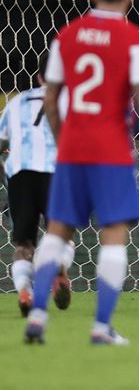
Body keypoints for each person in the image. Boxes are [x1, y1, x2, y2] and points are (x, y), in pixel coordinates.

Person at [24, 0, 139, 345]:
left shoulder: (66, 36)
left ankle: (37, 318)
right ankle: (101, 327)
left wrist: (62, 140)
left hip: (72, 149)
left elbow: (52, 99)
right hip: (112, 151)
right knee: (114, 235)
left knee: (56, 234)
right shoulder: (135, 39)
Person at [0, 53, 74, 317]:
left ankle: (24, 290)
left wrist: (5, 174)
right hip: (55, 172)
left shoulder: (16, 102)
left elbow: (1, 143)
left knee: (23, 244)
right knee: (61, 235)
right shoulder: (70, 100)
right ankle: (57, 267)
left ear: (39, 76)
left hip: (20, 173)